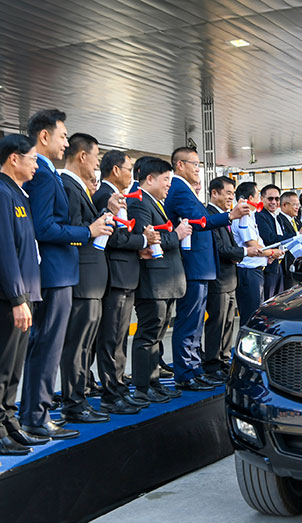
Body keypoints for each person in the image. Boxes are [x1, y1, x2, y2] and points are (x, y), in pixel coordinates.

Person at [19, 109, 112, 441]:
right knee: (46, 346)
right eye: (62, 136)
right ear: (44, 136)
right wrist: (87, 231)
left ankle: (36, 413)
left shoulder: (46, 171)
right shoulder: (44, 175)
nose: (65, 143)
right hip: (54, 273)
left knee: (47, 346)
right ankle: (36, 416)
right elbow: (44, 227)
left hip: (59, 272)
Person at [163, 146, 253, 390]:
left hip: (201, 267)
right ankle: (185, 373)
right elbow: (201, 221)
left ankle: (194, 369)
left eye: (199, 165)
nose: (197, 169)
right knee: (189, 322)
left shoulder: (186, 190)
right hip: (193, 266)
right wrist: (230, 216)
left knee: (195, 324)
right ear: (179, 165)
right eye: (194, 164)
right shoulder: (179, 189)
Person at [0, 134, 47, 456]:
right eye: (32, 158)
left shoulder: (18, 193)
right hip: (10, 300)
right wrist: (18, 298)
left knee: (14, 366)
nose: (36, 165)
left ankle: (9, 423)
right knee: (2, 365)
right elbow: (4, 251)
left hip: (25, 295)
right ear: (13, 159)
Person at [58, 133, 118, 424]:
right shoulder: (68, 187)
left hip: (91, 280)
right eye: (95, 157)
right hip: (82, 279)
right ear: (82, 156)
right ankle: (73, 402)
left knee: (84, 344)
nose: (97, 164)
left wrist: (107, 214)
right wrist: (94, 227)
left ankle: (79, 396)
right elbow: (76, 230)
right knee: (77, 345)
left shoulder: (77, 187)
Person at [93, 152, 158, 414]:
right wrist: (142, 241)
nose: (132, 175)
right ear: (116, 170)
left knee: (118, 339)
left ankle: (119, 389)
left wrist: (140, 244)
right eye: (129, 169)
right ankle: (111, 394)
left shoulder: (115, 195)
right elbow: (114, 238)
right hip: (115, 276)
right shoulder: (105, 196)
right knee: (111, 340)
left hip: (126, 274)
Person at [128, 158, 192, 403]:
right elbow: (149, 240)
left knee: (156, 335)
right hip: (153, 282)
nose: (168, 185)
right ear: (149, 179)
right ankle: (142, 387)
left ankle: (153, 382)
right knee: (148, 335)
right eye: (166, 179)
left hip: (165, 282)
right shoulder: (139, 203)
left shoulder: (155, 203)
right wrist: (177, 234)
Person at [203, 177, 257, 378]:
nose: (230, 198)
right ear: (214, 193)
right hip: (219, 279)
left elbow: (230, 245)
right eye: (227, 193)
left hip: (230, 278)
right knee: (217, 323)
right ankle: (212, 364)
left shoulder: (225, 217)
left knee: (227, 323)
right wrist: (244, 252)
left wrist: (238, 254)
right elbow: (219, 248)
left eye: (232, 194)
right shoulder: (210, 216)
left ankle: (224, 359)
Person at [234, 181, 284, 326]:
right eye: (258, 195)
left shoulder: (250, 217)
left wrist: (269, 254)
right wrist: (272, 252)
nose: (259, 200)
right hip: (249, 272)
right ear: (251, 198)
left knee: (256, 314)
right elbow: (254, 246)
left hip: (255, 271)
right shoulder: (243, 218)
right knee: (251, 316)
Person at [256, 184, 288, 299]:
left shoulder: (277, 217)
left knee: (277, 300)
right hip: (268, 265)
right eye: (270, 199)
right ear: (261, 199)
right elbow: (270, 238)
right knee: (268, 300)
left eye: (277, 199)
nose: (274, 202)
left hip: (278, 264)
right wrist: (296, 235)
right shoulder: (260, 216)